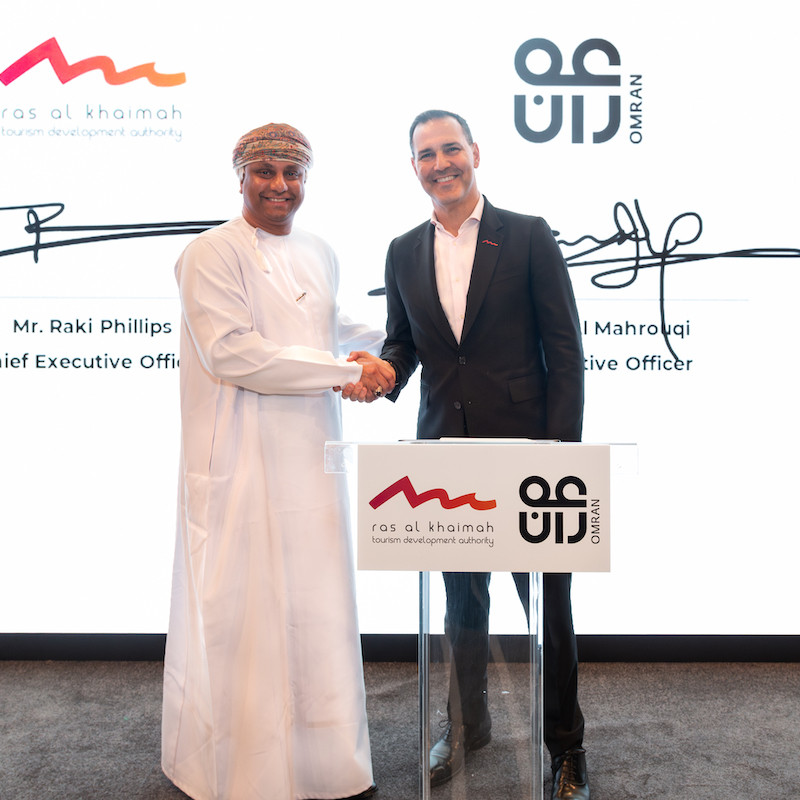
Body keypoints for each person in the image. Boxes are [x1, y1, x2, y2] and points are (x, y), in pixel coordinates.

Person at [346, 109, 589, 799]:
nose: (441, 163)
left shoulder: (529, 235)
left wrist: (562, 455)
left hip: (530, 456)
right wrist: (383, 372)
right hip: (444, 456)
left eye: (451, 148)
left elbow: (565, 351)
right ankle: (467, 726)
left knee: (549, 608)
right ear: (414, 167)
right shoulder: (402, 250)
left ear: (475, 153)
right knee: (462, 605)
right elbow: (405, 344)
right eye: (426, 155)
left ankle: (567, 747)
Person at [161, 122, 393, 800]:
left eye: (293, 173)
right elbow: (232, 353)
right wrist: (343, 371)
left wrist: (388, 355)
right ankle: (243, 776)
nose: (280, 186)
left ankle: (326, 768)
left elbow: (330, 328)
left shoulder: (319, 250)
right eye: (264, 171)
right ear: (240, 176)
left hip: (312, 459)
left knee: (318, 611)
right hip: (238, 463)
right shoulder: (209, 252)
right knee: (244, 616)